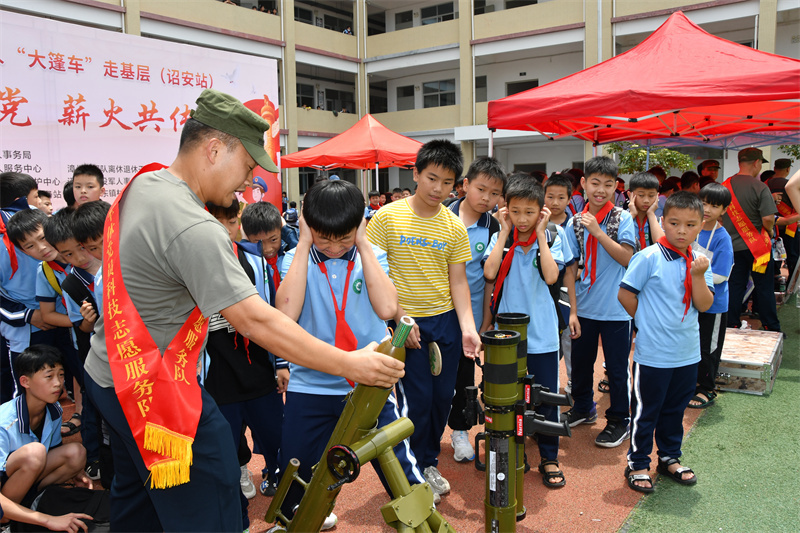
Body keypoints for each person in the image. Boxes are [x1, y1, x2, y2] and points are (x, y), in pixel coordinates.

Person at [81, 89, 403, 532]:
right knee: (215, 511)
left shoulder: (147, 184)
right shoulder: (193, 225)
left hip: (110, 374)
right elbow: (255, 319)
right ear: (214, 149)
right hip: (158, 394)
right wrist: (351, 363)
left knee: (139, 507)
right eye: (248, 167)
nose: (249, 184)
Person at [276, 180, 426, 529]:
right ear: (308, 226)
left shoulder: (370, 256)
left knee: (400, 466)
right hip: (310, 384)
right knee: (295, 466)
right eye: (323, 238)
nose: (332, 247)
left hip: (370, 383)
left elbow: (388, 307)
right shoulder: (295, 260)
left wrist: (362, 243)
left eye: (343, 238)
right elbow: (285, 316)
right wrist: (301, 244)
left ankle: (420, 521)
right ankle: (290, 522)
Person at [365, 139, 480, 501]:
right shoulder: (386, 217)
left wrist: (468, 328)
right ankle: (410, 472)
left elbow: (458, 282)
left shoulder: (453, 226)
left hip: (443, 322)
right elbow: (375, 275)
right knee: (412, 403)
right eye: (432, 178)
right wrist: (401, 318)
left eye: (447, 183)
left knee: (440, 399)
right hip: (402, 324)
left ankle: (428, 462)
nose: (438, 189)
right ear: (415, 173)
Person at [618, 192, 714, 493]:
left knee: (675, 410)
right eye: (674, 223)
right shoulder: (648, 257)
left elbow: (704, 304)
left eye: (690, 224)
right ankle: (638, 463)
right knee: (646, 411)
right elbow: (625, 294)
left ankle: (670, 457)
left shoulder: (700, 261)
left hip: (686, 354)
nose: (682, 231)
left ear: (701, 226)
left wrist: (698, 276)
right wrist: (646, 322)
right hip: (653, 355)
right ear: (662, 221)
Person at [204, 200, 284, 531]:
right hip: (216, 379)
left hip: (258, 371)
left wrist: (280, 362)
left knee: (280, 440)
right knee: (223, 455)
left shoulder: (256, 262)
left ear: (238, 223)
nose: (225, 230)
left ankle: (290, 505)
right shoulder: (190, 264)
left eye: (230, 222)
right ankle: (238, 522)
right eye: (215, 223)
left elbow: (274, 314)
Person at [484, 177, 567, 488]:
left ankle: (549, 456)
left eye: (529, 212)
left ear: (540, 212)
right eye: (514, 211)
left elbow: (550, 275)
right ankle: (515, 450)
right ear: (505, 210)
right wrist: (503, 232)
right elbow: (490, 273)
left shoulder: (555, 236)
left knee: (546, 399)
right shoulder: (502, 237)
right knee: (510, 399)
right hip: (507, 338)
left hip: (543, 334)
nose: (521, 219)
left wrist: (542, 237)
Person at [562, 156, 636, 448]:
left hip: (616, 309)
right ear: (583, 184)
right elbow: (570, 267)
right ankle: (583, 407)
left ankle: (619, 419)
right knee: (581, 363)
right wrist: (574, 311)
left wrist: (598, 232)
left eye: (608, 184)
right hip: (585, 306)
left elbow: (628, 258)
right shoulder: (574, 221)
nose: (601, 190)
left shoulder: (621, 217)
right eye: (595, 183)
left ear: (616, 187)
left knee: (617, 369)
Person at [445, 157, 504, 463]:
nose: (487, 198)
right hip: (437, 312)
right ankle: (422, 431)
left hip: (470, 317)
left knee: (464, 378)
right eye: (481, 189)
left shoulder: (493, 226)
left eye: (495, 193)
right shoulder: (440, 215)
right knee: (430, 376)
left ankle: (459, 431)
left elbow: (490, 281)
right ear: (465, 185)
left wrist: (483, 323)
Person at [42, 209, 103, 480]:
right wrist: (89, 320)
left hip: (130, 353)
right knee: (94, 405)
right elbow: (82, 327)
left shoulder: (117, 265)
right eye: (67, 254)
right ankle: (95, 455)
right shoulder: (71, 283)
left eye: (81, 248)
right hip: (94, 355)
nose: (78, 258)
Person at [0, 345, 92, 511]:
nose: (58, 383)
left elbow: (53, 451)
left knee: (76, 454)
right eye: (49, 376)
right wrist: (46, 520)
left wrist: (78, 472)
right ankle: (6, 520)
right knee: (35, 452)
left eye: (61, 375)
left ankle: (31, 499)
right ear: (25, 382)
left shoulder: (55, 409)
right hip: (3, 489)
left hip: (27, 475)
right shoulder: (4, 421)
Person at [1, 173, 50, 403]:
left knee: (33, 391)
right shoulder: (8, 233)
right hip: (27, 325)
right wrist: (29, 315)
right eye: (35, 197)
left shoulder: (42, 223)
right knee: (26, 392)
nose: (39, 203)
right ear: (22, 200)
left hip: (37, 322)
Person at [720, 147, 781, 333]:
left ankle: (731, 324)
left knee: (734, 286)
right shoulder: (760, 186)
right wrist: (769, 233)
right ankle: (771, 326)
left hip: (732, 247)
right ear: (756, 163)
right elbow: (768, 219)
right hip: (758, 250)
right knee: (764, 287)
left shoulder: (724, 185)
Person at [688, 184, 733, 409]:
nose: (707, 209)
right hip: (691, 300)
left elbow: (722, 275)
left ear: (724, 210)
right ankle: (692, 383)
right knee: (691, 343)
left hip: (714, 304)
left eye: (714, 206)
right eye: (704, 203)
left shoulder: (722, 238)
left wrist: (694, 275)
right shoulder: (692, 228)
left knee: (709, 347)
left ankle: (707, 388)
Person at [543, 173, 581, 392]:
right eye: (550, 196)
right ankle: (547, 382)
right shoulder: (537, 221)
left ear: (569, 199)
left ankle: (572, 381)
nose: (554, 202)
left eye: (560, 198)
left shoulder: (573, 226)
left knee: (568, 336)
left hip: (566, 290)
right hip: (545, 291)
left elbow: (571, 264)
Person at [628, 171, 664, 252]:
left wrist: (651, 213)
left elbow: (662, 245)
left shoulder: (657, 221)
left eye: (651, 196)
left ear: (657, 196)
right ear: (630, 195)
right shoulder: (622, 217)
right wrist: (632, 214)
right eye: (641, 195)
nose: (646, 200)